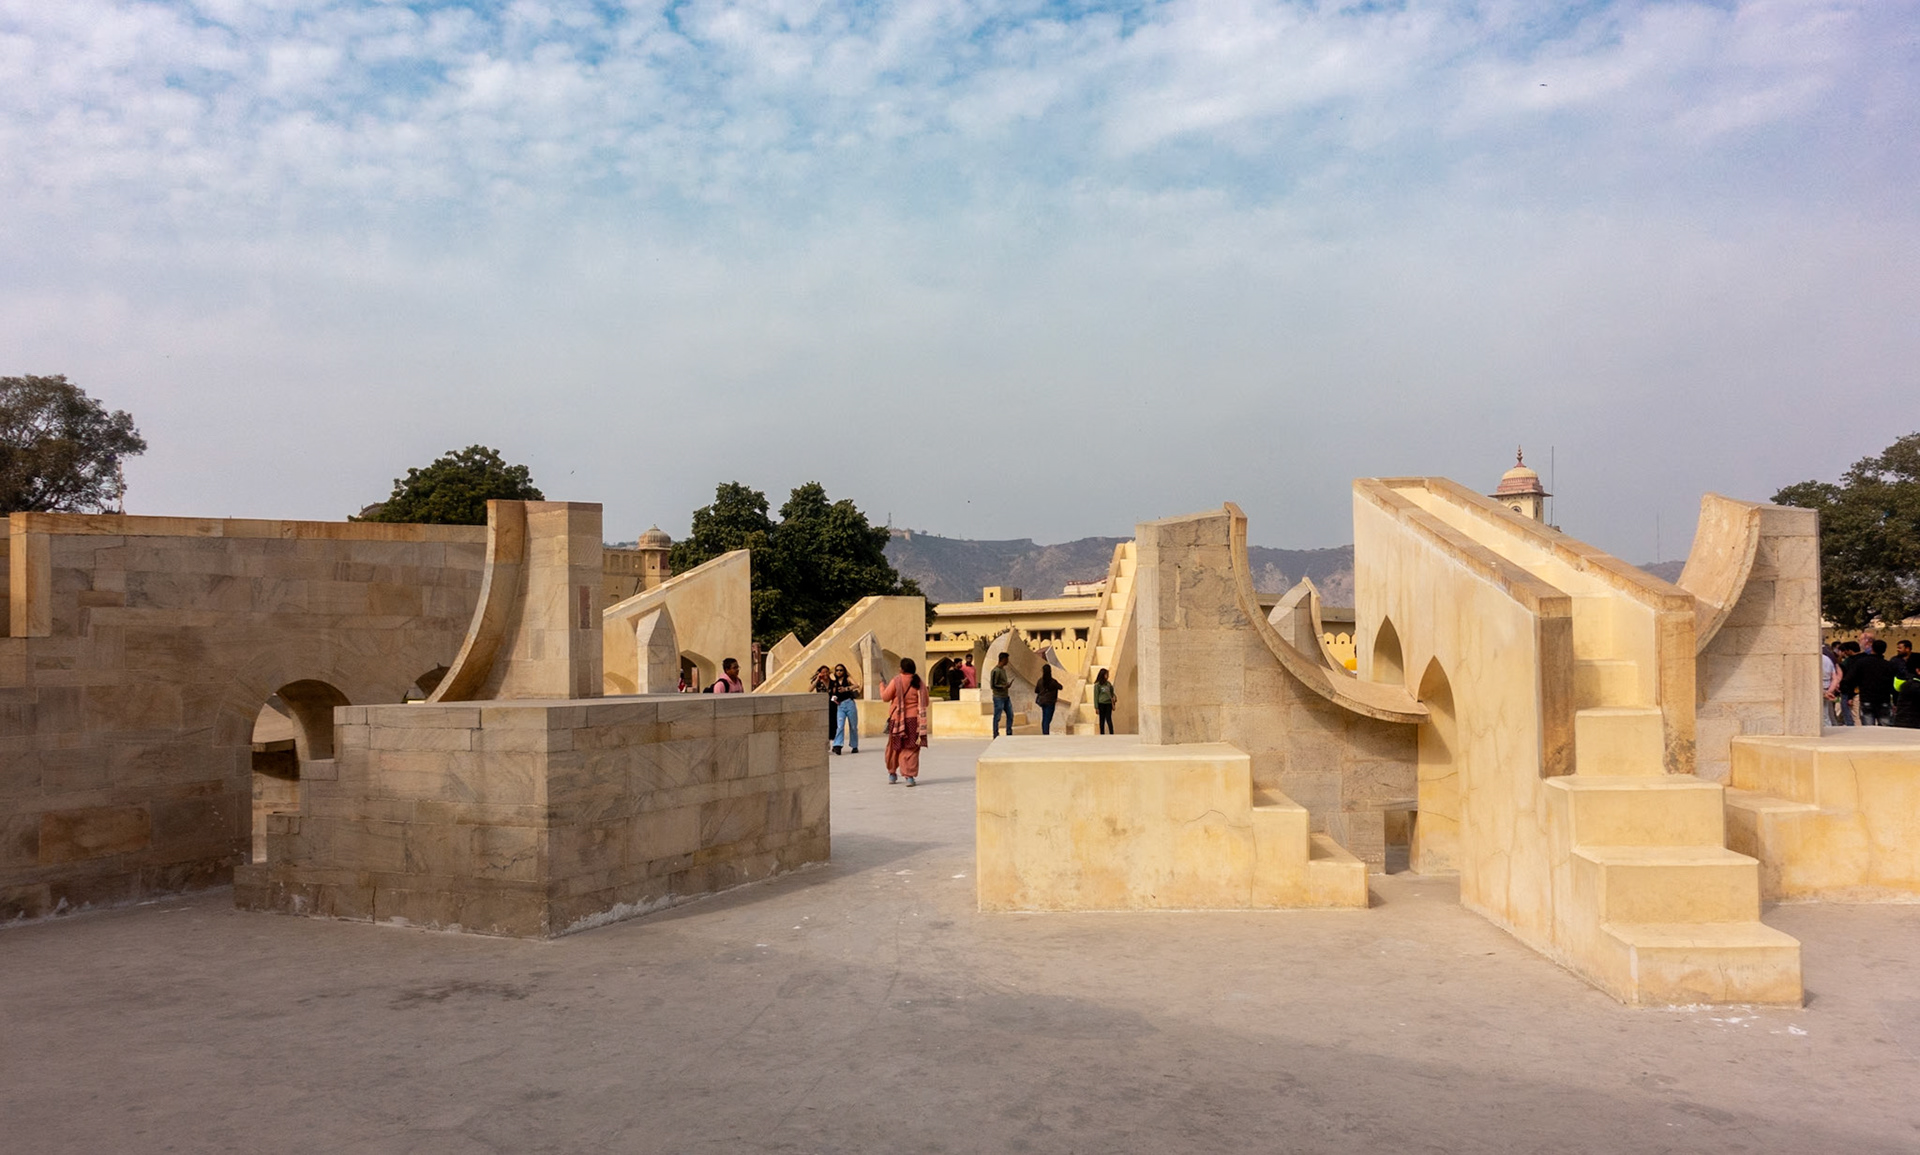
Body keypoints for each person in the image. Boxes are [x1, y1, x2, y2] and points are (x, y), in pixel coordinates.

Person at [881, 657, 929, 785]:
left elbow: (885, 697)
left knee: (894, 746)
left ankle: (892, 773)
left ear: (902, 668)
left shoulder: (896, 680)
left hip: (897, 719)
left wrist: (882, 686)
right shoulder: (919, 682)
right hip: (914, 720)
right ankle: (909, 776)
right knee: (911, 747)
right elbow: (926, 702)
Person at [1853, 640, 1896, 726]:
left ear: (1872, 648)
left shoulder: (1861, 663)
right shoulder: (1889, 665)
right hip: (1884, 699)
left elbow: (1851, 678)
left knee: (1868, 729)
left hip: (1866, 698)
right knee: (1886, 727)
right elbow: (1892, 683)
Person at [830, 664, 860, 755]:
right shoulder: (834, 682)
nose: (839, 672)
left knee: (853, 726)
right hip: (840, 705)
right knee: (840, 726)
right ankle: (837, 745)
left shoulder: (847, 679)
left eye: (841, 670)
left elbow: (856, 685)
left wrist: (846, 689)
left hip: (849, 703)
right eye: (837, 670)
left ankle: (854, 745)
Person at [989, 652, 1015, 738]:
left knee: (1010, 714)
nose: (1007, 661)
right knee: (997, 716)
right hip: (998, 697)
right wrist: (1004, 686)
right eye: (1007, 659)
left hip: (1005, 696)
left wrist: (1006, 685)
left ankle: (1009, 732)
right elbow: (993, 685)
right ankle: (995, 733)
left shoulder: (1003, 670)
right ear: (1003, 659)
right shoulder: (995, 671)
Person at [1034, 664, 1061, 735]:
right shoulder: (1053, 682)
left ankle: (1045, 732)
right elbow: (1060, 687)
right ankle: (1045, 733)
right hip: (1050, 702)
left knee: (1045, 717)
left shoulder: (1040, 681)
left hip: (1043, 702)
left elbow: (1036, 690)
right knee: (1047, 719)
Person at [1093, 667, 1117, 735]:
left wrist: (1114, 697)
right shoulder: (1097, 685)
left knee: (1109, 719)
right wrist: (1096, 707)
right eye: (1106, 674)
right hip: (1101, 704)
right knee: (1102, 720)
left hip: (1108, 703)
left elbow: (1112, 693)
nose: (1107, 676)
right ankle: (1102, 733)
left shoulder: (1108, 684)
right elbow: (1096, 696)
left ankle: (1111, 733)